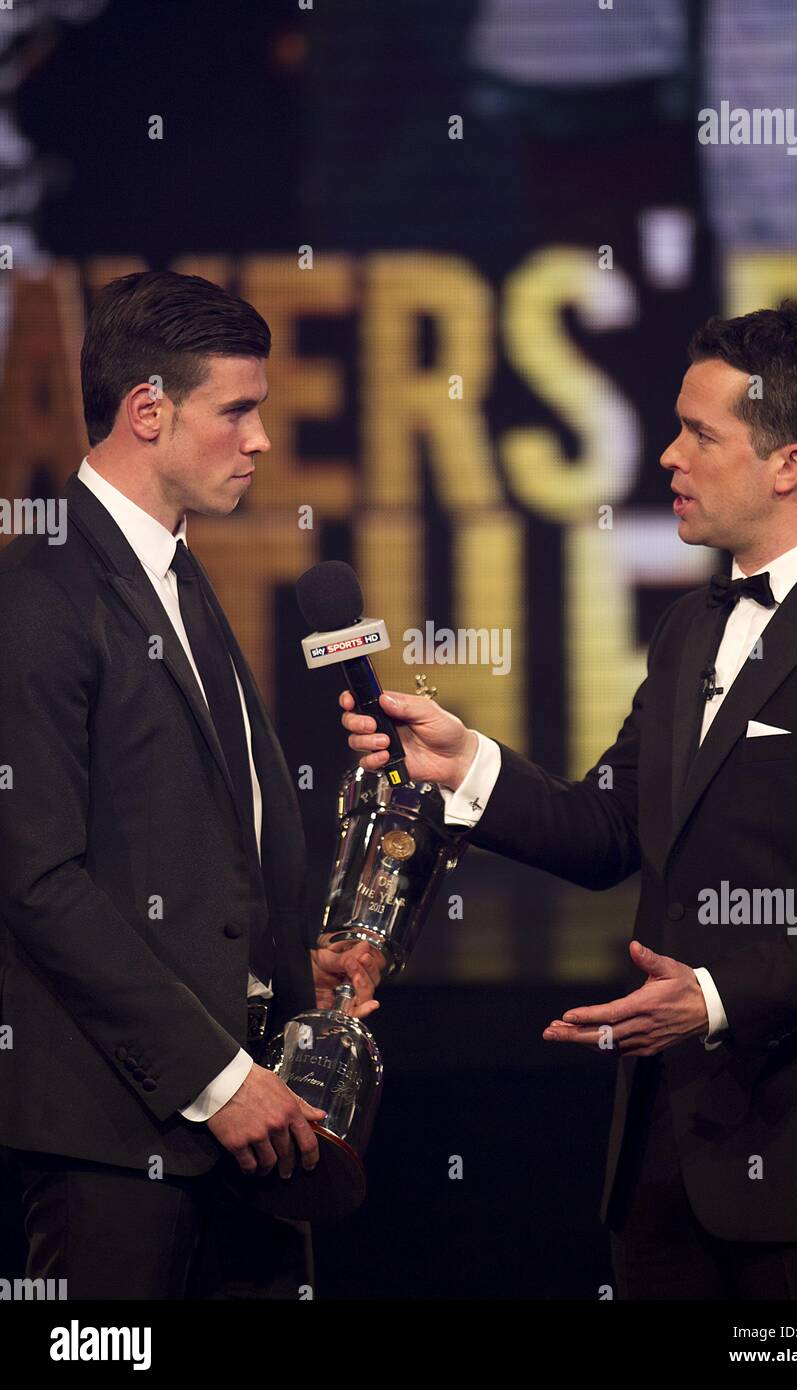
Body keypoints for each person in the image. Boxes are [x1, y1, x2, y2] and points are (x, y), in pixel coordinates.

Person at [341, 301, 797, 1301]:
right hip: (657, 1165)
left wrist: (712, 998)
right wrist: (466, 761)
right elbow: (610, 828)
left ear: (789, 462)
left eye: (699, 433)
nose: (665, 457)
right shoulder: (691, 626)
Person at [0, 270, 382, 1300]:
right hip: (124, 1138)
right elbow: (36, 878)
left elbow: (191, 845)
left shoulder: (180, 578)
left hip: (256, 1132)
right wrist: (218, 1082)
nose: (260, 439)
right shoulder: (39, 592)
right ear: (148, 412)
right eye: (238, 410)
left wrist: (281, 963)